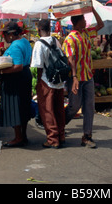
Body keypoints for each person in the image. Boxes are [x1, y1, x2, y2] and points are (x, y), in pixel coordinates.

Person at [62, 6, 104, 148]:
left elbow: (101, 25)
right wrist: (74, 77)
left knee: (89, 107)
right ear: (77, 22)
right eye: (84, 20)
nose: (86, 22)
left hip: (88, 76)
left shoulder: (86, 33)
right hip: (75, 78)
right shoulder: (70, 38)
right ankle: (59, 126)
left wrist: (92, 10)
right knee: (74, 106)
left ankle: (87, 136)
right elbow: (71, 59)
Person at [31, 19, 66, 149]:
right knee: (58, 109)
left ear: (39, 29)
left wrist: (38, 82)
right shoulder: (55, 40)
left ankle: (52, 139)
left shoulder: (39, 44)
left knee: (47, 110)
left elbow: (38, 66)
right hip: (59, 81)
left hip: (47, 81)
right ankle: (61, 136)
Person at [0, 21, 32, 148]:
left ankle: (18, 137)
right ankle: (23, 135)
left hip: (16, 80)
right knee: (23, 107)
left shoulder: (16, 45)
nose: (4, 37)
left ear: (11, 34)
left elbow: (18, 66)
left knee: (16, 108)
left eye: (5, 34)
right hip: (25, 77)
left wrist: (0, 71)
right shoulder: (25, 42)